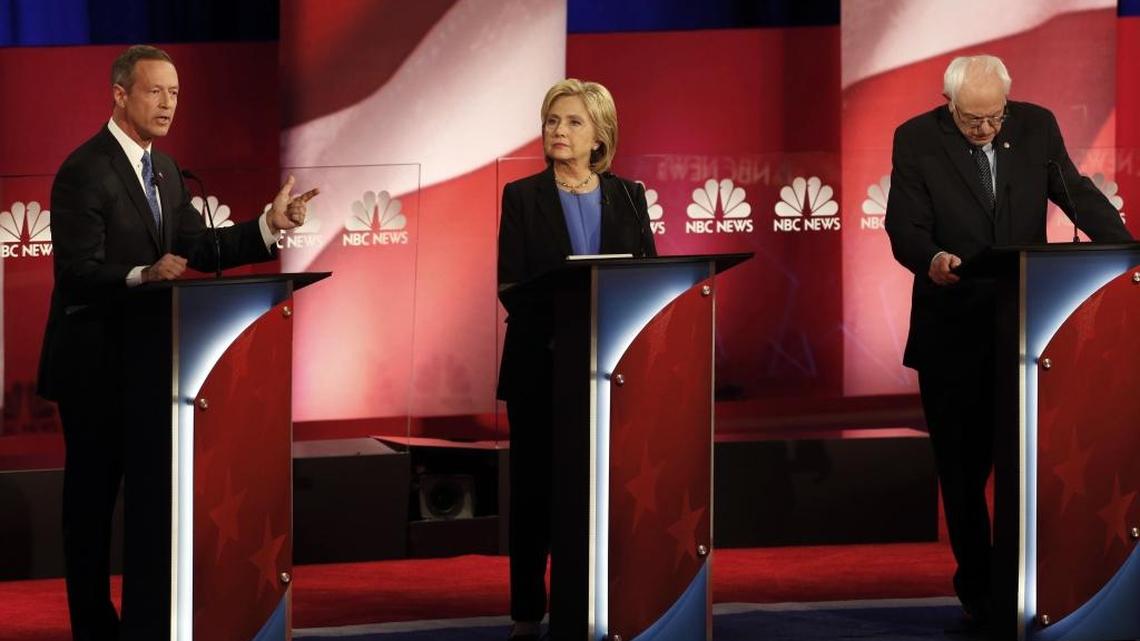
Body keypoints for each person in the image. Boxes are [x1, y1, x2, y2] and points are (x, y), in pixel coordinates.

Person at [36, 45, 318, 641]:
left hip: (153, 372)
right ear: (120, 95)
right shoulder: (84, 170)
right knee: (90, 510)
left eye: (174, 94)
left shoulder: (165, 170)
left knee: (150, 506)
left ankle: (147, 623)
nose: (168, 104)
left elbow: (201, 248)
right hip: (94, 370)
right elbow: (76, 273)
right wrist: (143, 274)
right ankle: (93, 628)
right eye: (155, 91)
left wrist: (268, 226)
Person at [884, 54, 1132, 626]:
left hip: (1027, 331)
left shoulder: (1036, 125)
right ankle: (980, 592)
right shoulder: (916, 139)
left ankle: (1027, 586)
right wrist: (932, 258)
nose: (987, 128)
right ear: (949, 104)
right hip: (952, 330)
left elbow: (1076, 193)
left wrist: (1125, 249)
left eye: (995, 117)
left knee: (1028, 467)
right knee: (963, 473)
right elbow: (904, 226)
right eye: (973, 119)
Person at [497, 79, 656, 641]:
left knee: (603, 494)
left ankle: (604, 601)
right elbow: (511, 286)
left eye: (572, 122)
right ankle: (526, 613)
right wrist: (568, 323)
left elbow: (649, 278)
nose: (558, 131)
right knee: (534, 494)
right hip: (540, 368)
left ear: (599, 137)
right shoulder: (522, 196)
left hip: (611, 373)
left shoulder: (630, 196)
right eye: (552, 121)